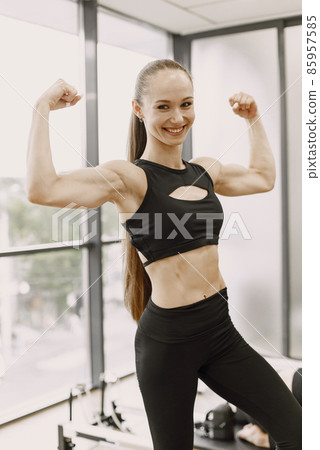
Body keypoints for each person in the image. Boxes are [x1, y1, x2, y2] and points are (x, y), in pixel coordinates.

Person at [26, 59, 302, 450]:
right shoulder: (130, 178)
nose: (177, 117)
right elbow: (42, 188)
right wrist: (42, 108)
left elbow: (263, 177)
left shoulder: (205, 170)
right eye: (163, 106)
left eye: (186, 104)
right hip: (168, 342)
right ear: (139, 109)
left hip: (220, 329)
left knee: (299, 430)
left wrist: (254, 118)